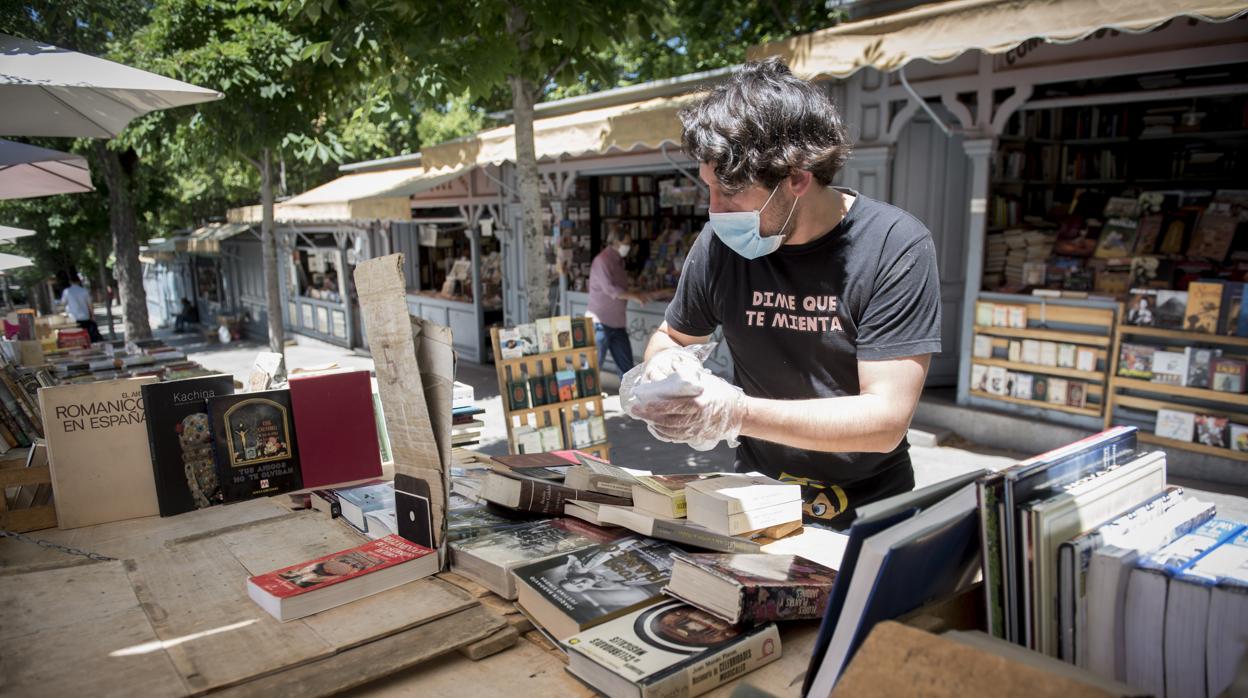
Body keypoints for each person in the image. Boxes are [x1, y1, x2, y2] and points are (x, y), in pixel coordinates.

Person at [626, 59, 942, 529]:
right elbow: (672, 336)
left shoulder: (894, 245)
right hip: (755, 493)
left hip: (868, 505)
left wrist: (734, 413)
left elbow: (885, 420)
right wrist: (665, 366)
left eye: (731, 192)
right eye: (709, 189)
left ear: (797, 178)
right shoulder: (719, 246)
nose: (715, 211)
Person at [587, 229, 650, 374]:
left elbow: (621, 287)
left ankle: (629, 396)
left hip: (617, 323)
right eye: (626, 243)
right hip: (600, 323)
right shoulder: (602, 260)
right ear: (616, 242)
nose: (628, 247)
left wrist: (635, 289)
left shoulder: (619, 262)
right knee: (593, 369)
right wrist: (635, 296)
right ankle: (586, 396)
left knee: (627, 369)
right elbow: (610, 289)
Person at [59, 276, 102, 342]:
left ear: (70, 282)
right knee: (87, 335)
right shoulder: (84, 291)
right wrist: (92, 316)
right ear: (79, 282)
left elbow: (62, 303)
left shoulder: (67, 291)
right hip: (85, 316)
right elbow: (90, 305)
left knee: (76, 336)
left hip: (72, 318)